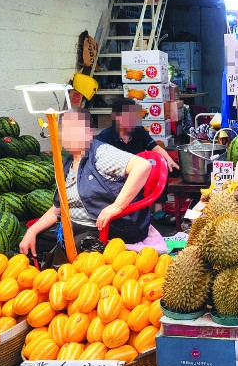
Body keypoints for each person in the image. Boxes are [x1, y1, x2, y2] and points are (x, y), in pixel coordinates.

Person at [19, 108, 153, 258]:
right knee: (34, 244)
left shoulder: (100, 154)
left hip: (107, 227)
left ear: (89, 132)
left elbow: (142, 166)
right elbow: (59, 207)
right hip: (74, 227)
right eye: (64, 130)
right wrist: (32, 231)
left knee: (77, 250)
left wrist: (117, 206)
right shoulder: (66, 164)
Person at [96, 98, 179, 224]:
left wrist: (168, 159)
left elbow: (155, 148)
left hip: (139, 172)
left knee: (163, 168)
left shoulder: (138, 131)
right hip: (117, 176)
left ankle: (158, 211)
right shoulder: (105, 136)